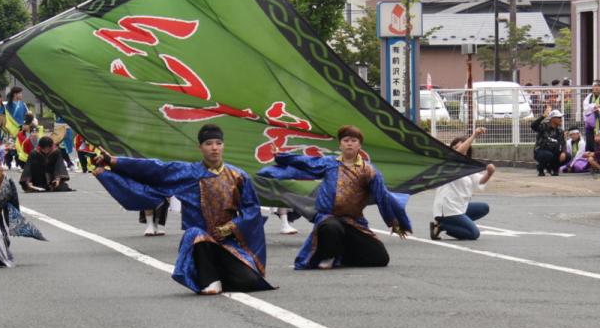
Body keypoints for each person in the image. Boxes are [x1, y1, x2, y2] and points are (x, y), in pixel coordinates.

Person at [93, 124, 273, 294]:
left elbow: (252, 210)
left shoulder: (238, 176)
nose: (214, 148)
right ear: (200, 147)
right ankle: (209, 279)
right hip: (201, 241)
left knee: (250, 281)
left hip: (228, 241)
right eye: (208, 144)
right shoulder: (188, 172)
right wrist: (114, 162)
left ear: (223, 146)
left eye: (218, 143)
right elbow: (155, 169)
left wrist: (230, 227)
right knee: (195, 233)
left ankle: (219, 274)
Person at [258, 124, 411, 270]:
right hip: (329, 218)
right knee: (330, 228)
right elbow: (306, 162)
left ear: (359, 145)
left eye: (353, 141)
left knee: (380, 258)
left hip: (355, 221)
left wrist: (393, 222)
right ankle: (328, 255)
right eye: (346, 140)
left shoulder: (369, 171)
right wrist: (280, 157)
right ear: (340, 145)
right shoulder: (330, 163)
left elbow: (382, 197)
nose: (349, 144)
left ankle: (343, 254)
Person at [430, 127, 495, 240]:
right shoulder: (448, 163)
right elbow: (458, 153)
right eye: (455, 147)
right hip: (447, 209)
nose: (458, 149)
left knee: (484, 207)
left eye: (460, 147)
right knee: (474, 234)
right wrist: (474, 135)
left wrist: (489, 173)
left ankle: (449, 224)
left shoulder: (466, 167)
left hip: (459, 207)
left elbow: (479, 181)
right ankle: (441, 225)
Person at [531, 107, 567, 176]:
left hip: (553, 152)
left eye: (561, 117)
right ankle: (541, 168)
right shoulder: (544, 126)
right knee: (548, 155)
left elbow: (563, 143)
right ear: (553, 119)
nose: (561, 119)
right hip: (541, 151)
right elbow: (533, 126)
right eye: (559, 117)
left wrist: (564, 152)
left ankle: (554, 168)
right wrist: (543, 116)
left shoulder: (560, 131)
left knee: (567, 156)